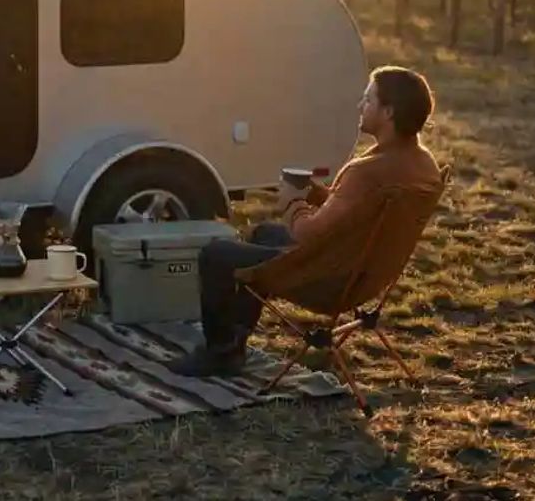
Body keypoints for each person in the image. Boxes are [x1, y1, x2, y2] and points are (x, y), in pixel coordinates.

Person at [165, 65, 443, 377]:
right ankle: (234, 342)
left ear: (389, 112)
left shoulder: (366, 172)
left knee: (215, 255)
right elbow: (360, 214)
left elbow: (308, 235)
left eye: (368, 100)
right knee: (265, 233)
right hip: (365, 275)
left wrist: (292, 201)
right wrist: (315, 195)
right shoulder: (423, 165)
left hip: (328, 278)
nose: (359, 107)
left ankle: (219, 352)